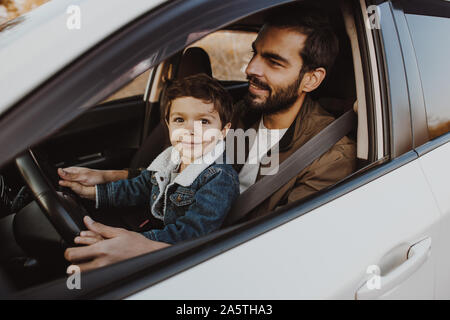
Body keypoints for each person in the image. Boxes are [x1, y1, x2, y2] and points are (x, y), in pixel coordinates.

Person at [60, 5, 356, 271]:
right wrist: (106, 178)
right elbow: (179, 172)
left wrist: (148, 248)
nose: (251, 68)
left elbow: (274, 253)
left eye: (274, 62)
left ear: (311, 79)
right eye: (255, 53)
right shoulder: (239, 113)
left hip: (214, 263)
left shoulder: (329, 156)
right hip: (179, 231)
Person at [61, 74, 239, 270]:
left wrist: (131, 241)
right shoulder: (172, 157)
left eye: (204, 122)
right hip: (153, 233)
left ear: (223, 131)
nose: (189, 130)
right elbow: (140, 186)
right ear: (168, 124)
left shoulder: (218, 177)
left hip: (181, 259)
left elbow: (191, 234)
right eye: (179, 120)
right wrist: (94, 193)